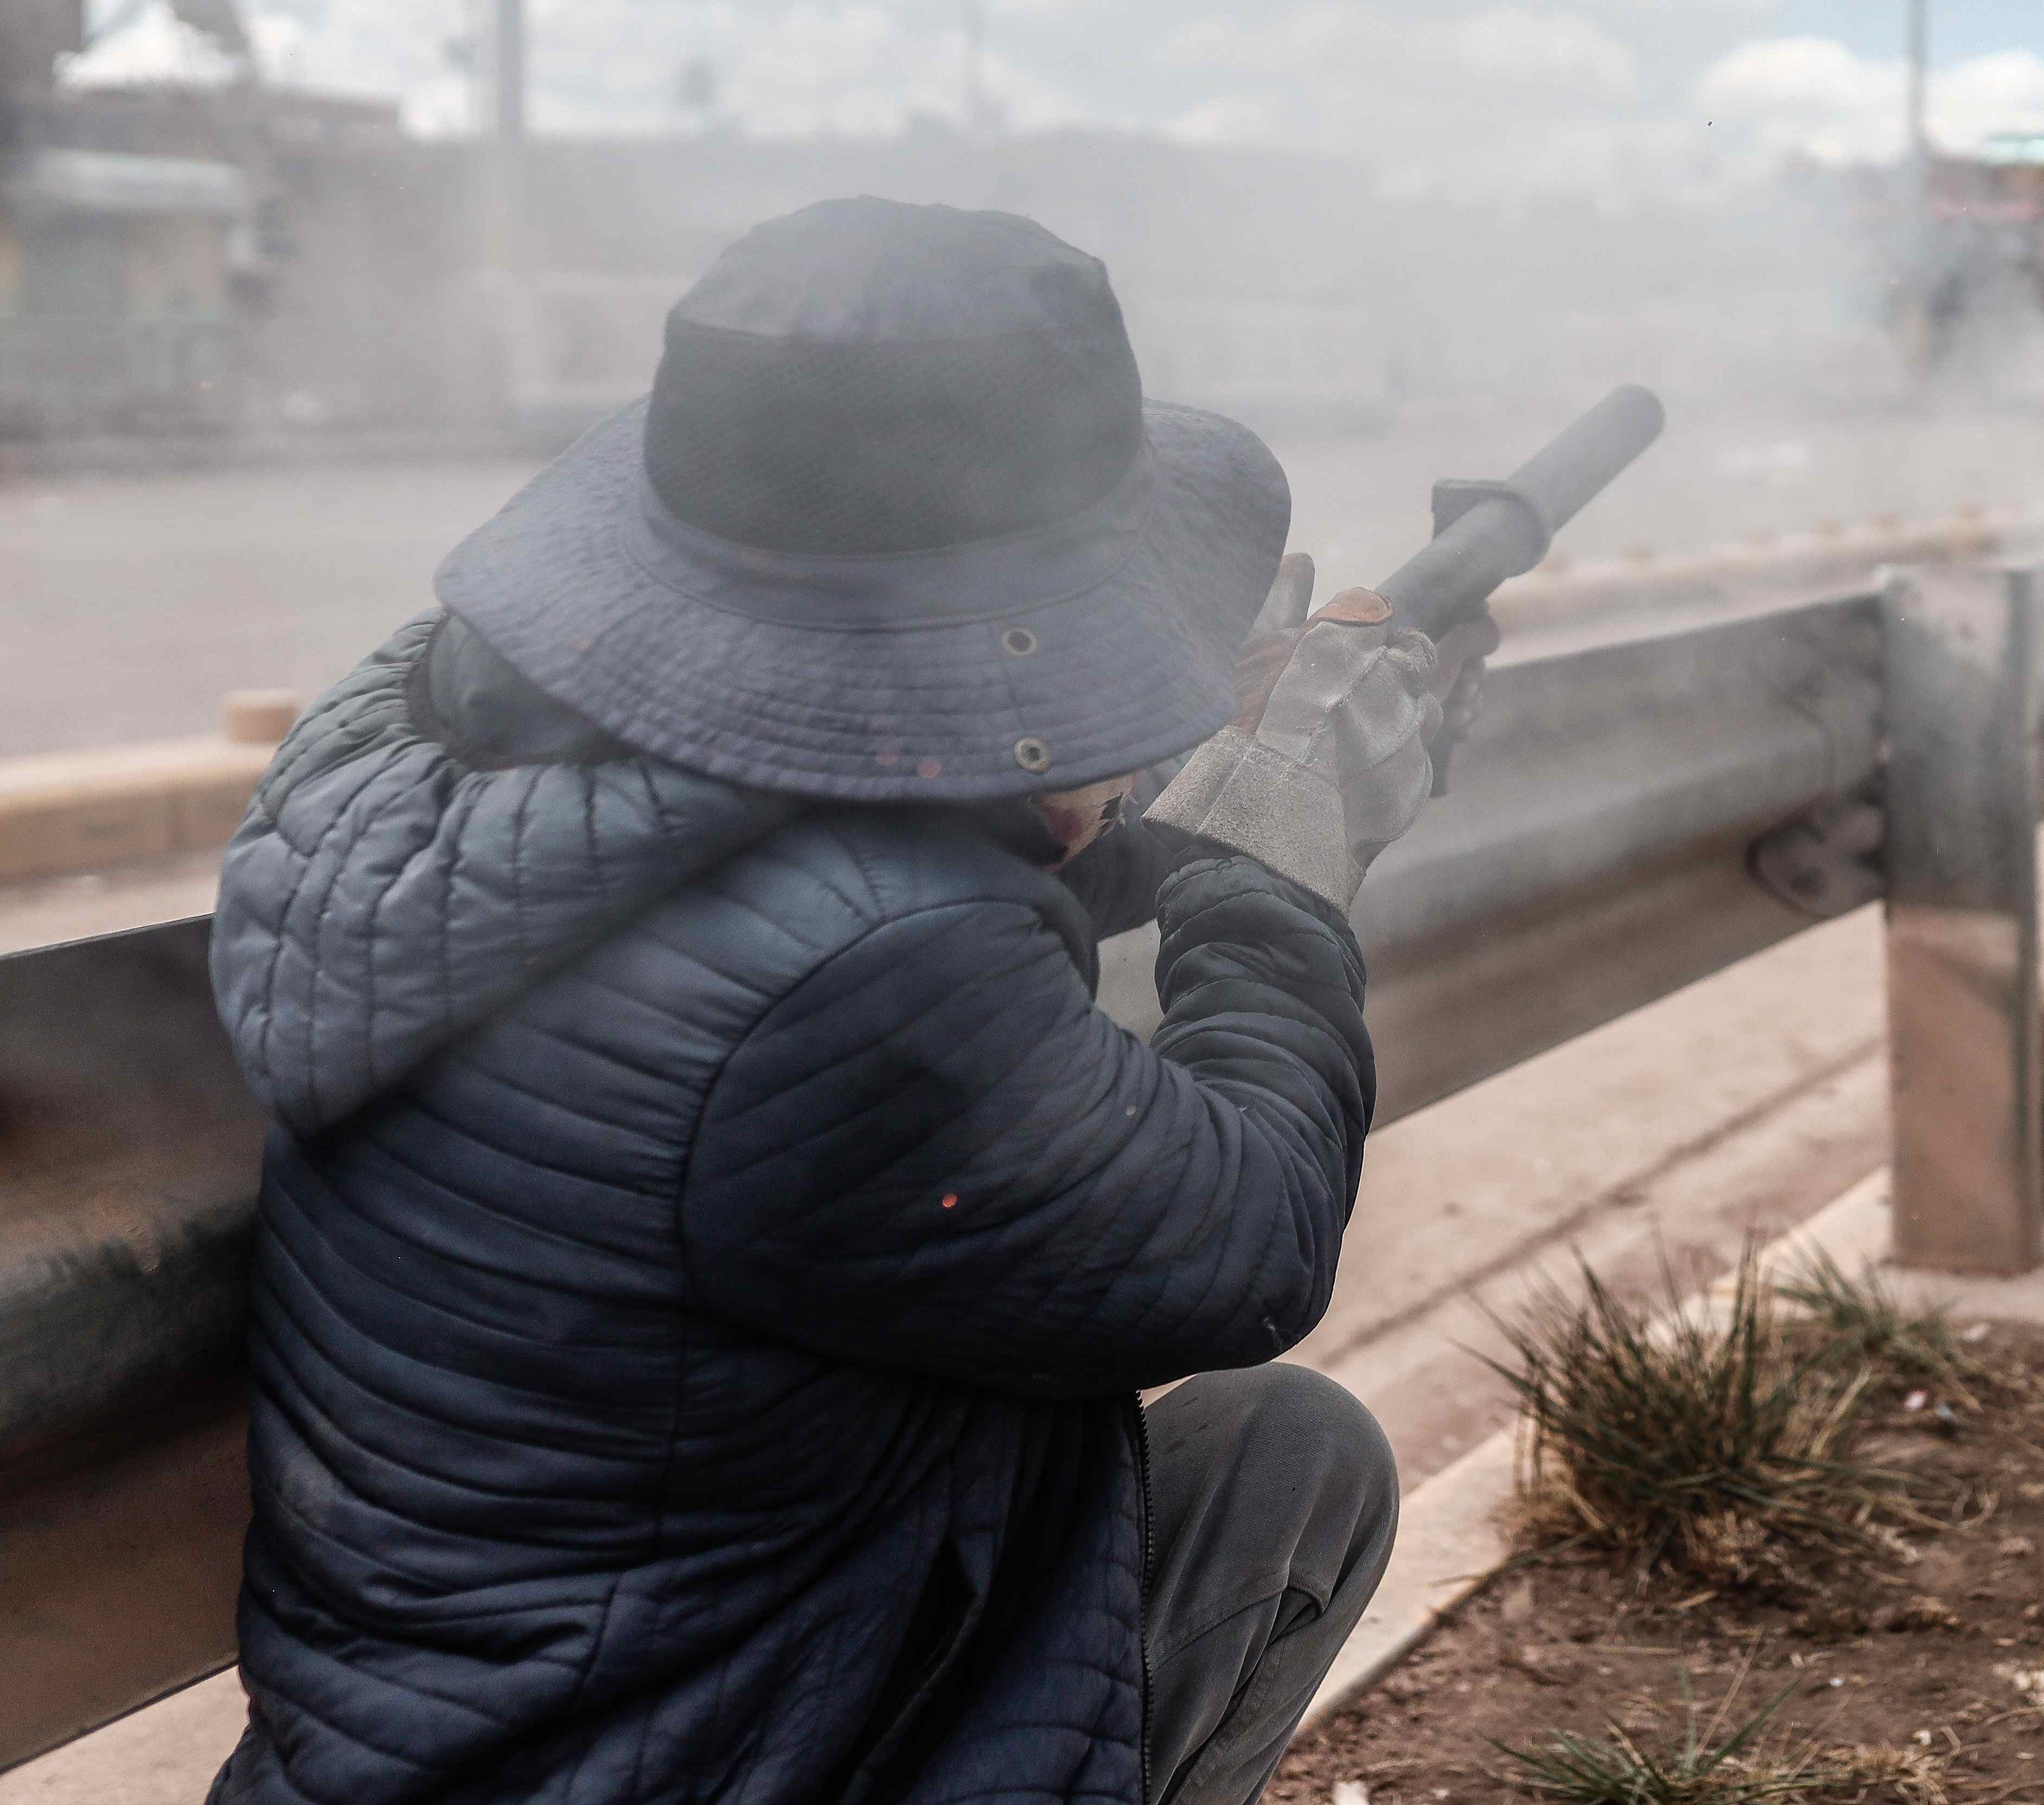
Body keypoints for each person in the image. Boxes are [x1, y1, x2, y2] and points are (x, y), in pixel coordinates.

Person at [206, 198, 1485, 1805]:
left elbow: (781, 876)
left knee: (1273, 1462)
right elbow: (1251, 1239)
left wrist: (1136, 772)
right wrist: (1278, 863)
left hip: (461, 1737)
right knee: (1289, 1454)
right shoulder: (865, 986)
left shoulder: (443, 748)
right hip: (695, 1760)